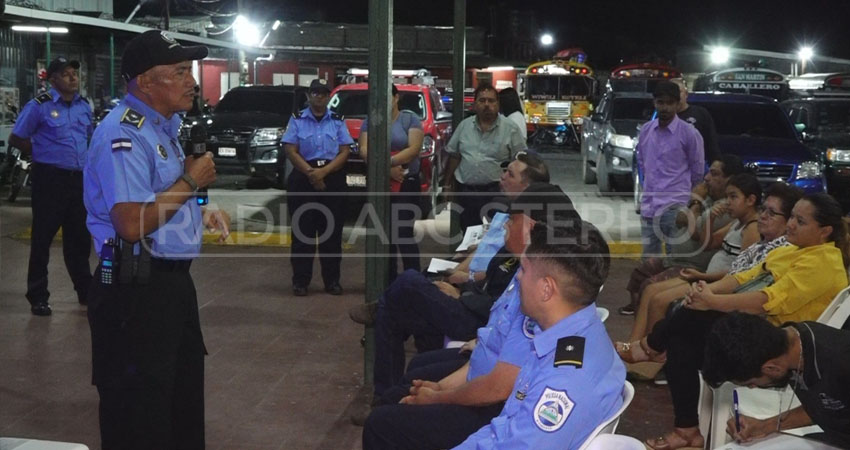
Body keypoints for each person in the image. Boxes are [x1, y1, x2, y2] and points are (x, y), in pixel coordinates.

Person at [83, 30, 230, 449]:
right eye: (181, 71)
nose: (193, 81)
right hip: (136, 294)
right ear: (144, 81)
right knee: (139, 418)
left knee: (179, 411)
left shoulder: (162, 128)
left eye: (191, 71)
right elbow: (130, 222)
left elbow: (154, 200)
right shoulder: (122, 135)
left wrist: (196, 209)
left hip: (169, 288)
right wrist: (191, 180)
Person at [623, 192, 850, 450]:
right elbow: (744, 277)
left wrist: (711, 301)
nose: (790, 225)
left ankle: (651, 348)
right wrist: (708, 292)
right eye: (792, 218)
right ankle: (686, 428)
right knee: (681, 337)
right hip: (762, 330)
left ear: (825, 231)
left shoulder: (823, 263)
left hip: (776, 349)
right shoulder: (792, 251)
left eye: (800, 221)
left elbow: (767, 299)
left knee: (689, 318)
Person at [361, 187, 584, 448]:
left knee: (381, 422)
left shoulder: (539, 297)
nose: (505, 227)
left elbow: (499, 388)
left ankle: (382, 312)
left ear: (530, 227)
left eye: (512, 220)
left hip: (492, 411)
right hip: (482, 384)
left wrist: (438, 397)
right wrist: (440, 389)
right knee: (405, 385)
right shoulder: (528, 275)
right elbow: (489, 353)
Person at [453, 221, 624, 449]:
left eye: (523, 269)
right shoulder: (570, 334)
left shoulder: (564, 380)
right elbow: (505, 427)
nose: (518, 278)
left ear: (546, 289)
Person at [619, 172, 762, 345]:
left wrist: (701, 276)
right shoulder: (737, 223)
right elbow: (707, 243)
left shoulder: (752, 229)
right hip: (704, 277)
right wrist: (711, 217)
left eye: (733, 197)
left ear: (750, 200)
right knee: (650, 291)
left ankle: (649, 352)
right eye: (727, 197)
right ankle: (632, 344)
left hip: (714, 283)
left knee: (659, 301)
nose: (728, 203)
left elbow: (740, 273)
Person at [9, 56, 93, 316]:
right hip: (50, 180)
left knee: (79, 239)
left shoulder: (84, 107)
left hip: (78, 180)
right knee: (42, 239)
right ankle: (38, 296)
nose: (73, 78)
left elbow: (90, 138)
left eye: (75, 73)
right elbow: (16, 137)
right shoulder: (39, 106)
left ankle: (85, 291)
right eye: (66, 74)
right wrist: (41, 152)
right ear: (53, 79)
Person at [703, 313, 850, 448]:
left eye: (751, 383)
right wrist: (764, 425)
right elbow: (827, 405)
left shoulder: (839, 361)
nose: (753, 387)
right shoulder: (786, 344)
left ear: (771, 368)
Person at [620, 154, 742, 316]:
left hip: (693, 266)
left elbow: (695, 232)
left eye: (714, 174)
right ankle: (639, 313)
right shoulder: (708, 199)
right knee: (640, 273)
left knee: (649, 287)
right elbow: (679, 218)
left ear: (729, 179)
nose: (706, 178)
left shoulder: (726, 208)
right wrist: (695, 206)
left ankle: (648, 326)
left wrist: (695, 203)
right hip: (676, 259)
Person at [282, 78, 353, 296]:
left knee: (331, 234)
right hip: (304, 178)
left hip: (331, 178)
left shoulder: (338, 120)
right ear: (308, 96)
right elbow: (291, 150)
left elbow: (345, 151)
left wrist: (323, 172)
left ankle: (332, 281)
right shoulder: (297, 120)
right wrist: (312, 173)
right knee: (303, 233)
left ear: (328, 96)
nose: (319, 97)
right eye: (315, 93)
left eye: (323, 93)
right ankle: (300, 281)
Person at [359, 84, 426, 281]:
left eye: (387, 97)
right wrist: (387, 170)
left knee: (403, 232)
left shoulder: (409, 119)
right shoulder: (370, 121)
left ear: (396, 98)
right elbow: (364, 150)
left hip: (406, 183)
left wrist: (387, 162)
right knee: (384, 235)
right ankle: (386, 281)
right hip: (380, 185)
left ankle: (413, 280)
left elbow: (414, 149)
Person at [442, 83, 528, 232]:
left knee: (497, 235)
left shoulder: (510, 129)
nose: (487, 105)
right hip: (467, 192)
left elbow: (521, 160)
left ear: (498, 104)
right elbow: (455, 156)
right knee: (469, 234)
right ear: (475, 104)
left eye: (491, 100)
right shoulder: (464, 126)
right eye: (482, 101)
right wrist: (447, 185)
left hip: (497, 192)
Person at [636, 80, 704, 258]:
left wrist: (690, 203)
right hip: (650, 207)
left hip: (676, 208)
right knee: (648, 263)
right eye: (661, 102)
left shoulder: (689, 133)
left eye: (669, 103)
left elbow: (697, 172)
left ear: (677, 104)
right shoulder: (646, 131)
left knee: (676, 261)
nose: (665, 107)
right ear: (654, 103)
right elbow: (642, 163)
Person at [672, 78, 719, 164]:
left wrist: (714, 164)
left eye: (678, 92)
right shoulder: (663, 118)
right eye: (671, 92)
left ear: (686, 94)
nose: (675, 95)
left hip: (698, 165)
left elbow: (712, 143)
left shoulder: (701, 114)